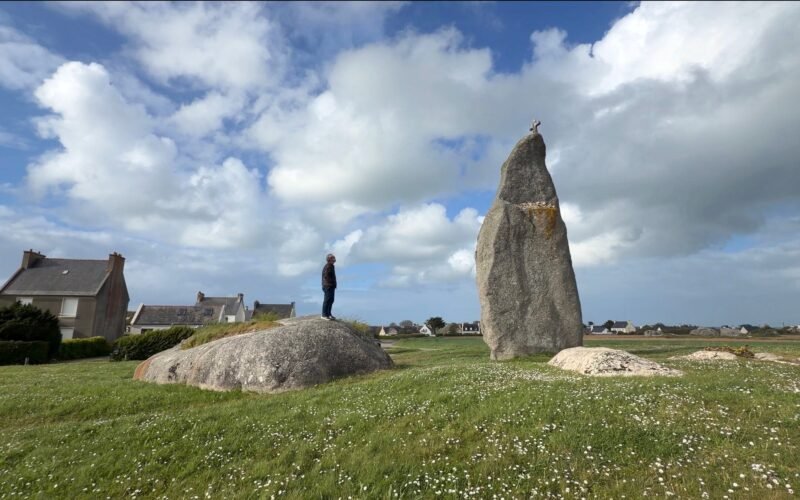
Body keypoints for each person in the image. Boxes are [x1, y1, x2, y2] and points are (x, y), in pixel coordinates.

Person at [321, 253, 337, 320]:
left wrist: (334, 284)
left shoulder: (331, 266)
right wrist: (330, 283)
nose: (334, 259)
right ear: (329, 259)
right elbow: (326, 275)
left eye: (334, 258)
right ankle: (324, 315)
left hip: (331, 286)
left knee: (331, 300)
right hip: (327, 285)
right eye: (333, 258)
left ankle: (329, 314)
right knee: (327, 300)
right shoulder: (328, 266)